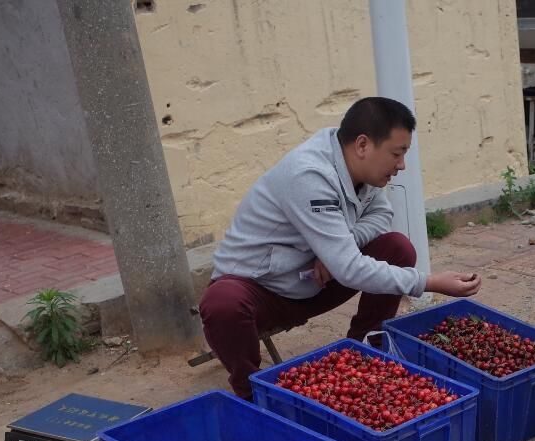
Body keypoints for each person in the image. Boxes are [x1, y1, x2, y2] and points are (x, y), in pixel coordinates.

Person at [199, 97, 481, 398]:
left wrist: (339, 245)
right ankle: (250, 392)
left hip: (317, 281)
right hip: (266, 290)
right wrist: (429, 282)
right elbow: (349, 269)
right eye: (397, 154)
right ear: (363, 145)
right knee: (223, 302)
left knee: (397, 248)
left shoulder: (360, 167)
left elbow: (381, 214)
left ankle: (367, 348)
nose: (402, 165)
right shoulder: (308, 175)